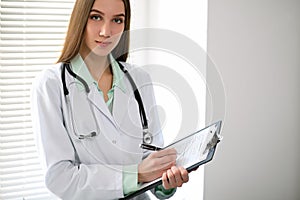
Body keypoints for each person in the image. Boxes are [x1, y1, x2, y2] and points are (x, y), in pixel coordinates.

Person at [31, 0, 191, 199]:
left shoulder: (139, 80)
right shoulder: (51, 84)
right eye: (96, 17)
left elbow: (151, 158)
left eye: (117, 20)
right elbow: (60, 178)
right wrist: (137, 174)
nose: (107, 31)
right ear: (80, 19)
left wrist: (165, 182)